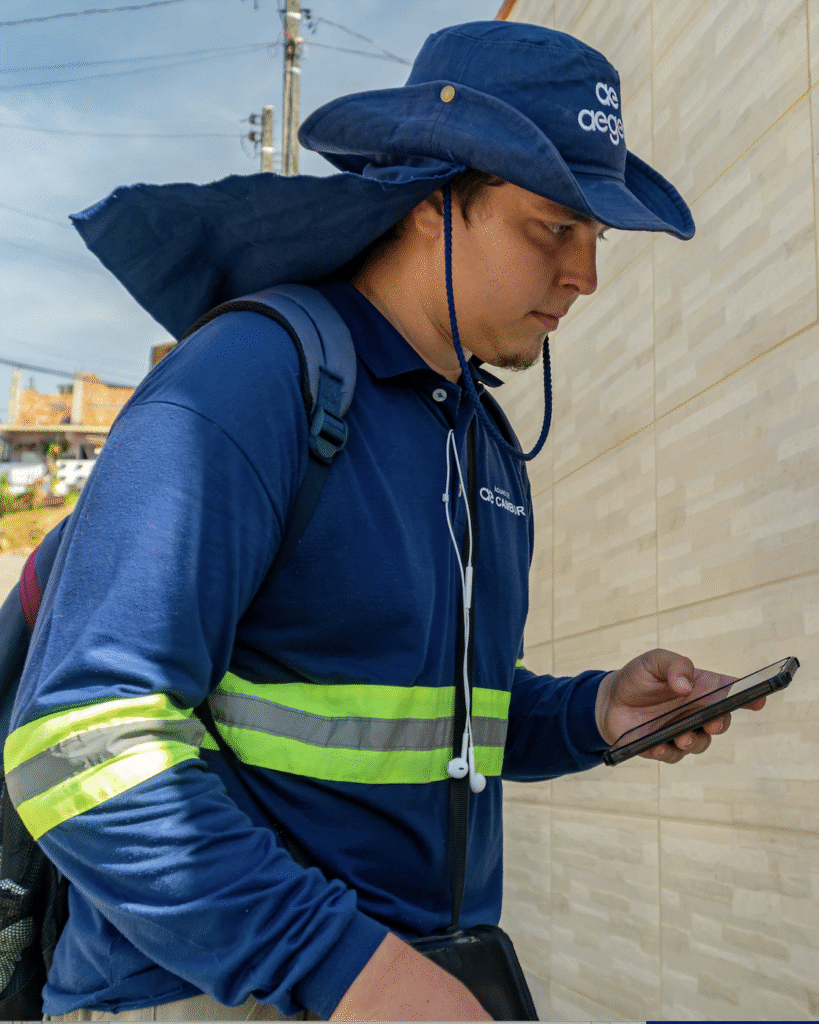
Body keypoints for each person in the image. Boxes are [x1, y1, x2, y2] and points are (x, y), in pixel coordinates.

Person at [7, 20, 765, 1022]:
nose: (588, 274)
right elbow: (75, 737)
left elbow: (411, 714)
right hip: (208, 992)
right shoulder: (248, 384)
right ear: (432, 205)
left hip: (402, 981)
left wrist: (591, 714)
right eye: (554, 226)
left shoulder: (479, 438)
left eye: (597, 237)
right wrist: (347, 967)